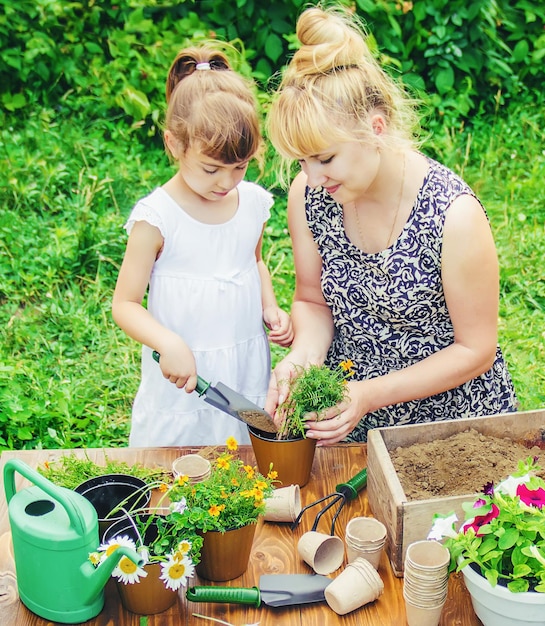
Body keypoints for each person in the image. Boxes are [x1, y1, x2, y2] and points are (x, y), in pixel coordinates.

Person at [264, 6, 518, 445]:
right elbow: (311, 299)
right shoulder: (309, 194)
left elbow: (476, 350)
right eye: (302, 160)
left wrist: (370, 394)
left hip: (451, 425)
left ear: (375, 129)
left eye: (325, 158)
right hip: (351, 419)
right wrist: (302, 358)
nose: (313, 175)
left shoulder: (452, 214)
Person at [112, 44, 293, 447]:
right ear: (175, 144)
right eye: (211, 168)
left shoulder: (252, 203)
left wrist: (270, 305)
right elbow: (124, 304)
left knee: (243, 456)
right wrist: (167, 343)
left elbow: (255, 262)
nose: (227, 182)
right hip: (186, 372)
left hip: (243, 362)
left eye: (240, 167)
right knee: (178, 462)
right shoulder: (157, 218)